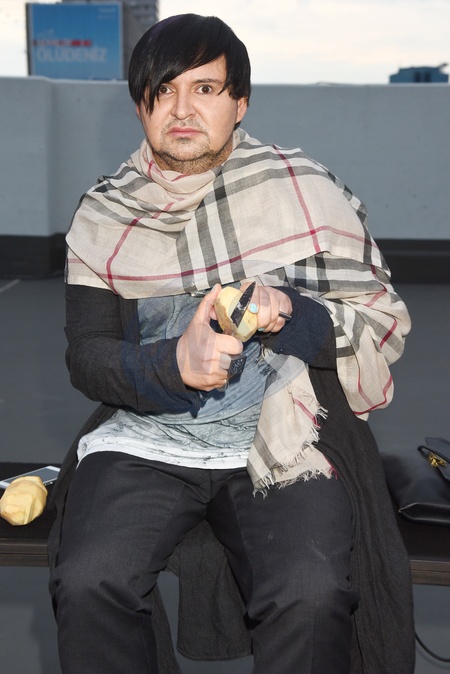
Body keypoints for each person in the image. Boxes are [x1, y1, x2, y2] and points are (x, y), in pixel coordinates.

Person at [48, 13, 415, 674]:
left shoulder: (302, 190)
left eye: (205, 89)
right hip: (147, 435)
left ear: (240, 103)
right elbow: (88, 356)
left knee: (312, 593)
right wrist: (173, 362)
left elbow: (378, 320)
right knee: (88, 580)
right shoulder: (104, 213)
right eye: (163, 91)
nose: (181, 109)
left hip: (286, 430)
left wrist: (289, 311)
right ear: (140, 106)